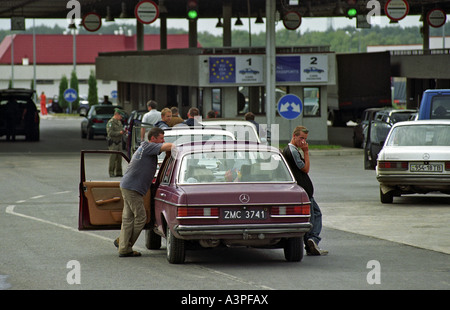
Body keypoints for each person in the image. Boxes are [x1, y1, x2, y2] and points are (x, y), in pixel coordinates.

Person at [114, 127, 174, 257]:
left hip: (128, 186)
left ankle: (123, 244)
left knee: (128, 218)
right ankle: (126, 245)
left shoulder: (145, 147)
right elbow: (168, 146)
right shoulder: (149, 146)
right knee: (141, 218)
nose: (163, 141)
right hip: (132, 188)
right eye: (161, 138)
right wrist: (177, 147)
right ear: (153, 139)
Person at [282, 126, 328, 256]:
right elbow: (305, 169)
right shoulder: (293, 151)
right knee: (314, 216)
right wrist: (306, 152)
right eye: (301, 138)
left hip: (306, 191)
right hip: (304, 191)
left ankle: (312, 242)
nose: (303, 141)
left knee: (315, 214)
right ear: (294, 136)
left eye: (305, 139)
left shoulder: (293, 150)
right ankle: (312, 240)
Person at [106, 108, 125, 177]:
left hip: (119, 142)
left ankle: (119, 172)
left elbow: (121, 130)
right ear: (116, 114)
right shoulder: (111, 122)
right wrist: (119, 133)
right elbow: (110, 133)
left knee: (119, 158)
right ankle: (111, 172)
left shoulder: (119, 122)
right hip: (113, 142)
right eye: (120, 116)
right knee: (113, 158)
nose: (121, 118)